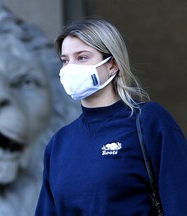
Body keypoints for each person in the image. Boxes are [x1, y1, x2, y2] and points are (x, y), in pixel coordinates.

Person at [35, 17, 187, 216]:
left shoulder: (148, 121)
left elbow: (180, 201)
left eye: (82, 57)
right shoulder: (58, 144)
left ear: (112, 65)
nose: (70, 68)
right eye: (65, 60)